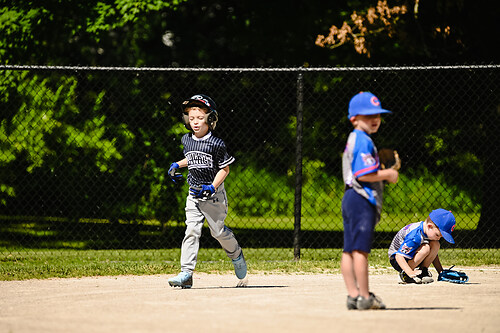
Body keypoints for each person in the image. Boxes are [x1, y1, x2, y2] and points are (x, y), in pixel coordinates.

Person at [167, 94, 247, 288]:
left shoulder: (217, 144)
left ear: (210, 119)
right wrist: (177, 164)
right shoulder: (187, 140)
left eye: (200, 118)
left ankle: (236, 255)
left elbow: (224, 169)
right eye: (191, 118)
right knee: (191, 230)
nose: (195, 122)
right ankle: (186, 273)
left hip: (214, 196)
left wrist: (213, 186)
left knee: (217, 232)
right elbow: (193, 158)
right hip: (194, 194)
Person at [341, 91, 399, 310]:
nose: (375, 119)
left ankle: (353, 295)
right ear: (354, 119)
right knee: (360, 251)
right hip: (361, 198)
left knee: (349, 250)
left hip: (350, 198)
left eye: (378, 115)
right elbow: (363, 175)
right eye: (368, 115)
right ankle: (365, 297)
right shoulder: (363, 140)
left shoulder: (355, 139)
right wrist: (388, 174)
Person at [388, 208, 456, 284]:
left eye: (441, 237)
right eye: (437, 235)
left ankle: (423, 272)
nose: (438, 238)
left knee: (435, 244)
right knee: (425, 248)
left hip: (410, 255)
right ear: (429, 226)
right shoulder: (415, 236)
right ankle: (405, 275)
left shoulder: (427, 231)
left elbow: (434, 255)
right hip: (398, 260)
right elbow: (398, 256)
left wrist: (441, 272)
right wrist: (410, 272)